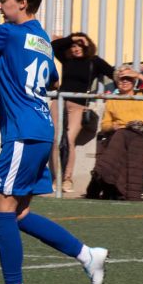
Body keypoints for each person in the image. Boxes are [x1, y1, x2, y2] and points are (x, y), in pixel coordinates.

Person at [0, 0, 108, 284]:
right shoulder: (41, 37)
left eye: (5, 0)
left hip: (24, 134)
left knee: (2, 205)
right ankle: (88, 255)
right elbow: (54, 80)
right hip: (40, 130)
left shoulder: (11, 32)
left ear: (22, 3)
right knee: (20, 212)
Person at [49, 32, 114, 192]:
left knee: (69, 140)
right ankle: (56, 178)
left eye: (80, 45)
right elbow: (53, 46)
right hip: (59, 102)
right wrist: (72, 38)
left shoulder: (94, 61)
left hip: (78, 106)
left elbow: (113, 73)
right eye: (73, 46)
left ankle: (67, 179)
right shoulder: (67, 59)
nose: (76, 48)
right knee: (56, 139)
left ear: (87, 46)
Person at [90, 66, 143, 201]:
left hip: (140, 133)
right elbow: (104, 125)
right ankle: (121, 190)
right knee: (121, 136)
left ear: (133, 81)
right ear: (117, 82)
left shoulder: (141, 95)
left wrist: (138, 75)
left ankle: (101, 179)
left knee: (128, 139)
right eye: (122, 79)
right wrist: (112, 126)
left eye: (128, 79)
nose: (125, 81)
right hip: (121, 134)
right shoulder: (112, 100)